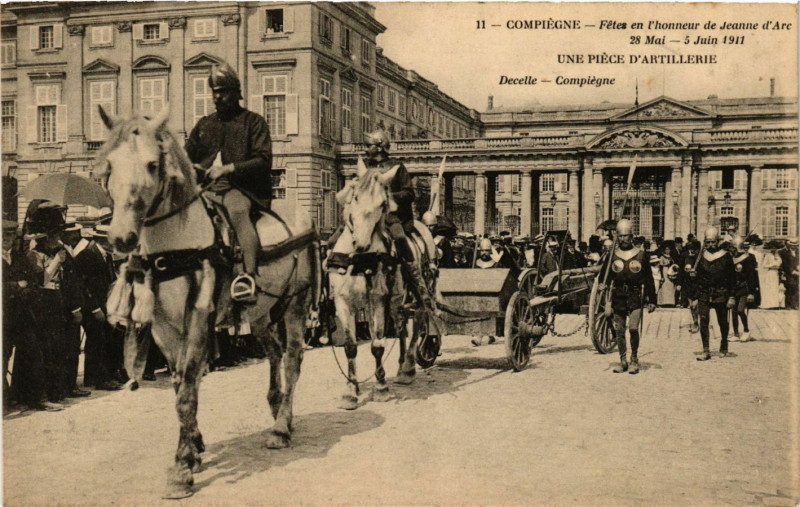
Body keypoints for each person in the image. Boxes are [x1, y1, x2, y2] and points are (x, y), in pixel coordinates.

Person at [185, 62, 272, 303]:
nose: (217, 97)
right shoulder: (204, 124)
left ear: (235, 92)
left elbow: (263, 161)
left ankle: (248, 277)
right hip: (206, 190)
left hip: (240, 189)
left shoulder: (253, 122)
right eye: (214, 91)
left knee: (238, 211)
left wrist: (229, 169)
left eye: (222, 91)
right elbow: (186, 156)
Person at [598, 219, 657, 374]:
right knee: (619, 330)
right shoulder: (613, 255)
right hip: (618, 296)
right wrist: (602, 284)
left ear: (631, 236)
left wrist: (652, 300)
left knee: (633, 328)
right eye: (621, 236)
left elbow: (648, 279)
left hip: (635, 295)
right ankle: (623, 360)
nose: (624, 239)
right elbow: (605, 274)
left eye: (626, 236)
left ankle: (634, 359)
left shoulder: (641, 255)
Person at [73, 224, 123, 390]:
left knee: (103, 339)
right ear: (103, 239)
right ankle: (100, 379)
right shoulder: (87, 255)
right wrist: (95, 309)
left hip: (104, 304)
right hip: (90, 306)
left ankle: (94, 377)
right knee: (97, 339)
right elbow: (83, 285)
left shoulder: (106, 256)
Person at [690, 226, 736, 361]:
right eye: (708, 241)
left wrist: (731, 296)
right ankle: (706, 350)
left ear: (717, 241)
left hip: (720, 293)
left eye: (713, 242)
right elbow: (696, 279)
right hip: (704, 293)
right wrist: (693, 277)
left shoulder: (725, 256)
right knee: (703, 320)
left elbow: (732, 278)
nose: (710, 244)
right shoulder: (700, 257)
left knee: (722, 321)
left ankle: (724, 345)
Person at [730, 235, 759, 342]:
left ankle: (746, 331)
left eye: (733, 247)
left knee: (740, 310)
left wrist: (751, 292)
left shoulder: (747, 259)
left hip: (744, 288)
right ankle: (736, 333)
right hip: (734, 288)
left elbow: (751, 276)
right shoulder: (732, 258)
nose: (731, 249)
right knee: (733, 311)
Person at [679, 240, 702, 333]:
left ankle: (697, 323)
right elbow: (680, 270)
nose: (692, 252)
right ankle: (695, 321)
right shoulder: (684, 256)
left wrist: (697, 273)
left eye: (694, 250)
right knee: (691, 306)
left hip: (698, 284)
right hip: (687, 284)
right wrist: (679, 283)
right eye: (690, 249)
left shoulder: (700, 257)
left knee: (696, 305)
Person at [759, 242, 784, 308]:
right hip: (770, 273)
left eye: (775, 248)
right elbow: (764, 265)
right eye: (773, 248)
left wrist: (777, 266)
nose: (774, 249)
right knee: (769, 288)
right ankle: (769, 304)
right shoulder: (768, 255)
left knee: (775, 287)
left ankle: (775, 304)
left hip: (776, 273)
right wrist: (771, 266)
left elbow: (780, 263)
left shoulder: (778, 256)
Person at [778, 238, 798, 309]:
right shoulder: (786, 253)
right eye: (792, 245)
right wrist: (792, 271)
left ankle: (795, 305)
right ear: (789, 245)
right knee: (789, 289)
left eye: (795, 245)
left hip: (797, 273)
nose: (794, 247)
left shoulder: (798, 252)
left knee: (796, 289)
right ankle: (788, 305)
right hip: (789, 274)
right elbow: (786, 264)